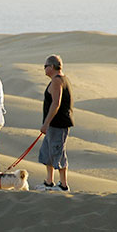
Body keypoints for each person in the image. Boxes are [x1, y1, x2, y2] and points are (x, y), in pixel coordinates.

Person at [38, 54, 73, 192]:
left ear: (52, 67)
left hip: (58, 124)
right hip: (54, 125)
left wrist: (46, 123)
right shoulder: (58, 80)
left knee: (58, 153)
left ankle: (63, 185)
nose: (44, 69)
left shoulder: (58, 81)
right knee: (48, 153)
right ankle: (49, 182)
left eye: (45, 66)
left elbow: (56, 103)